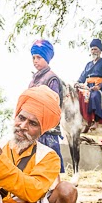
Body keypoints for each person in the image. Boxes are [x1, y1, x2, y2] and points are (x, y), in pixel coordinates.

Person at [27, 39, 64, 172]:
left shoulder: (51, 78)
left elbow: (52, 104)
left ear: (47, 58)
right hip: (31, 125)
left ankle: (56, 191)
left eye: (39, 57)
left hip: (46, 128)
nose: (35, 60)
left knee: (50, 162)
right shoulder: (33, 79)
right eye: (33, 57)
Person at [77, 38, 102, 121]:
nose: (93, 51)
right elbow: (83, 76)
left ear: (100, 51)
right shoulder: (88, 64)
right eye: (92, 49)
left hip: (99, 88)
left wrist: (99, 86)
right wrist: (78, 83)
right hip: (89, 87)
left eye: (95, 49)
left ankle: (96, 120)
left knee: (95, 96)